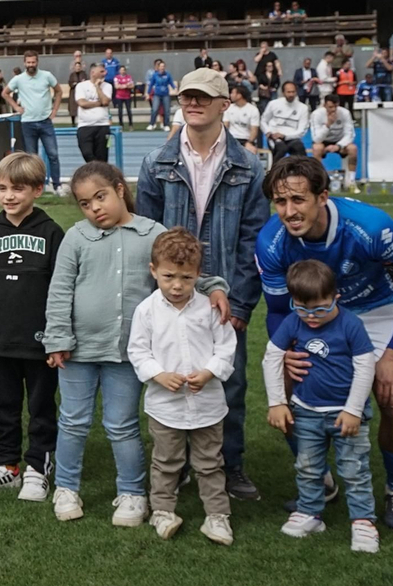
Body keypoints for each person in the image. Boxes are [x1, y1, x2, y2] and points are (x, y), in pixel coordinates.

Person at [256, 156, 393, 531]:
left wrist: (392, 354)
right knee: (288, 388)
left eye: (298, 200)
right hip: (312, 314)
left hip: (378, 308)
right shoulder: (271, 242)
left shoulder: (372, 227)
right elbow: (276, 310)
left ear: (323, 197)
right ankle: (318, 479)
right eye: (280, 202)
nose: (288, 212)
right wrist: (286, 352)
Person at [43, 162, 229, 526]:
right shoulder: (76, 237)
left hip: (129, 354)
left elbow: (181, 270)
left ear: (119, 189)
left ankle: (130, 493)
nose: (95, 208)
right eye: (84, 203)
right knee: (73, 420)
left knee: (122, 424)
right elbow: (60, 289)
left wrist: (216, 287)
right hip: (77, 352)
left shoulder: (152, 233)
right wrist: (57, 339)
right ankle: (66, 487)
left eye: (101, 197)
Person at [136, 67, 269, 502]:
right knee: (169, 380)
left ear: (224, 105)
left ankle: (229, 467)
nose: (193, 103)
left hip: (225, 298)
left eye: (203, 97)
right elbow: (148, 235)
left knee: (228, 383)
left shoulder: (249, 166)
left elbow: (255, 240)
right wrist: (154, 295)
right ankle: (173, 468)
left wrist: (243, 304)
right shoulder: (156, 162)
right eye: (187, 96)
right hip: (172, 295)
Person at [262, 259, 381, 553]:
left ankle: (364, 522)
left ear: (335, 297)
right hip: (306, 411)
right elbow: (271, 356)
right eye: (302, 308)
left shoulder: (351, 324)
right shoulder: (293, 321)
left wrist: (353, 410)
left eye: (320, 308)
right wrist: (277, 402)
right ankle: (310, 513)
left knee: (354, 469)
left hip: (345, 415)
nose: (311, 317)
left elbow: (366, 365)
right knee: (307, 466)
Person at [127, 228, 237, 545]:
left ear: (198, 275)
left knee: (210, 463)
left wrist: (209, 372)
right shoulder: (146, 311)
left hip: (207, 405)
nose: (177, 286)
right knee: (166, 461)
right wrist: (158, 375)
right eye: (169, 276)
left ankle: (217, 517)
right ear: (154, 271)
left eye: (186, 278)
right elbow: (138, 351)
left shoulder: (210, 308)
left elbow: (226, 347)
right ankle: (162, 511)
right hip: (165, 407)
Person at [0, 152, 64, 499]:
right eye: (2, 188)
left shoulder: (53, 234)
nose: (8, 196)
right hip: (0, 342)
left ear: (37, 190)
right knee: (4, 407)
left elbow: (62, 292)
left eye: (18, 189)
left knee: (41, 408)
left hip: (40, 344)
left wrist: (57, 339)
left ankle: (38, 467)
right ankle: (7, 464)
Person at [6, 52, 64, 193]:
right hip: (28, 122)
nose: (31, 65)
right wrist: (16, 107)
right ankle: (35, 186)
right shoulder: (19, 79)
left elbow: (59, 91)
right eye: (28, 62)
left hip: (45, 121)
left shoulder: (46, 76)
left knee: (53, 154)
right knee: (32, 157)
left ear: (37, 62)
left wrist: (55, 110)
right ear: (24, 63)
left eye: (33, 62)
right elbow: (5, 93)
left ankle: (56, 184)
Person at [309, 96, 357, 190]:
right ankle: (319, 181)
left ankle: (351, 181)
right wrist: (328, 125)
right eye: (330, 107)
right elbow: (316, 139)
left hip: (340, 142)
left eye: (336, 106)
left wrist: (338, 146)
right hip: (323, 141)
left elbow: (350, 134)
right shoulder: (317, 114)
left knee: (353, 148)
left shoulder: (345, 113)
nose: (333, 110)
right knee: (317, 148)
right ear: (324, 105)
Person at [73, 65, 113, 162]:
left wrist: (97, 87)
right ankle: (94, 169)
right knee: (87, 153)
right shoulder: (81, 86)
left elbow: (105, 102)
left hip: (103, 126)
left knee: (102, 157)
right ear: (93, 72)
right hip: (85, 126)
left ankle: (101, 174)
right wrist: (98, 103)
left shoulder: (107, 86)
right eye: (102, 71)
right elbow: (82, 103)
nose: (105, 73)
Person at [261, 82, 310, 160]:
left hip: (292, 137)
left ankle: (303, 170)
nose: (291, 94)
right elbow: (263, 121)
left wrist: (285, 136)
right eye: (288, 92)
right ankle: (275, 171)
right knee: (281, 149)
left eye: (293, 92)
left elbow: (301, 131)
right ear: (283, 92)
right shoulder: (273, 104)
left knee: (299, 148)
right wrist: (268, 132)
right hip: (274, 137)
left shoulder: (303, 108)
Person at [224, 86, 261, 151]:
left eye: (232, 93)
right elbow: (225, 126)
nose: (230, 95)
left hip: (246, 139)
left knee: (251, 150)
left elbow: (254, 130)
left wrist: (250, 142)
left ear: (239, 95)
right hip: (231, 138)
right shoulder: (229, 108)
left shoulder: (253, 110)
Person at [146, 59, 176, 131]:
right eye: (161, 66)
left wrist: (175, 88)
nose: (162, 68)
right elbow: (151, 84)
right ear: (158, 67)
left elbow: (171, 83)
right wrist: (148, 93)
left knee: (167, 110)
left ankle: (166, 125)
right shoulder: (155, 75)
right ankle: (151, 124)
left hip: (165, 94)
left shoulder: (168, 74)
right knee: (155, 109)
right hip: (157, 94)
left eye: (163, 66)